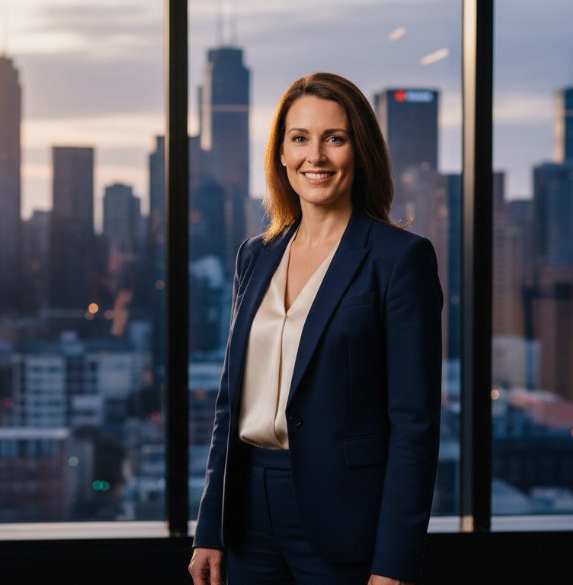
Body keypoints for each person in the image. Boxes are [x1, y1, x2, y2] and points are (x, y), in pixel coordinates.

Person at [188, 72, 443, 585]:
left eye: (335, 138)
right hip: (247, 515)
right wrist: (209, 527)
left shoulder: (399, 259)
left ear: (360, 152)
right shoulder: (255, 255)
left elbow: (414, 426)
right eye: (300, 138)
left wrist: (393, 562)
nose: (316, 156)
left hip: (345, 516)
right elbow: (229, 405)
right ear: (281, 154)